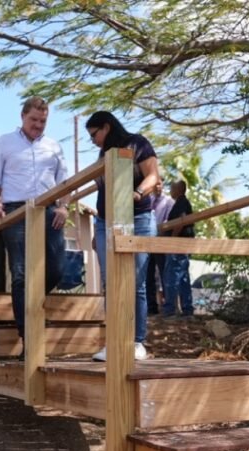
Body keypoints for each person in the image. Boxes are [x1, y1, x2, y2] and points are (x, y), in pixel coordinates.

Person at [0, 96, 70, 347]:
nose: (38, 125)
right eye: (34, 120)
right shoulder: (3, 142)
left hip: (49, 210)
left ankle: (29, 306)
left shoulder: (54, 146)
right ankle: (27, 335)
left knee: (57, 269)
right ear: (22, 116)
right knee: (20, 273)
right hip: (15, 211)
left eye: (43, 121)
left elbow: (64, 182)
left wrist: (64, 207)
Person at [84, 111, 159, 361]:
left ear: (106, 127)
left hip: (138, 219)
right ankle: (114, 342)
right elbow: (101, 190)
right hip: (106, 221)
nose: (93, 140)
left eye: (94, 134)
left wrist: (136, 194)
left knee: (135, 283)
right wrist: (98, 228)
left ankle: (136, 342)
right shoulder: (102, 155)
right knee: (111, 284)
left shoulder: (137, 143)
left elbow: (153, 176)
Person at [162, 179, 195, 317]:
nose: (170, 190)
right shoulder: (181, 202)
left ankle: (170, 310)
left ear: (179, 189)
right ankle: (187, 310)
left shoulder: (181, 203)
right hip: (183, 245)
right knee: (182, 278)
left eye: (172, 188)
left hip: (178, 245)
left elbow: (181, 221)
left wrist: (172, 239)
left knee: (172, 278)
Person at [146, 187, 174, 314]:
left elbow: (169, 221)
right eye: (155, 185)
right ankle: (151, 307)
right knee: (148, 275)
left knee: (164, 274)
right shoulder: (149, 200)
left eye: (159, 184)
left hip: (160, 242)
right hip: (147, 242)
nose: (157, 187)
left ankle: (168, 307)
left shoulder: (168, 201)